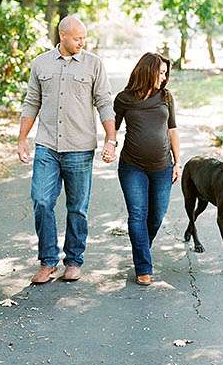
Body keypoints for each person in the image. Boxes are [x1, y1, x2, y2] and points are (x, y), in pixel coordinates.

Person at [18, 16, 116, 285]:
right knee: (40, 200)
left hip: (80, 148)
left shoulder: (94, 64)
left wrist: (111, 139)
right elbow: (31, 102)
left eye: (84, 37)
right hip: (47, 145)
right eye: (77, 38)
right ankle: (48, 261)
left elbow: (105, 103)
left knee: (77, 208)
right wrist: (22, 139)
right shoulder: (41, 63)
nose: (82, 42)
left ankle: (73, 261)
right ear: (62, 36)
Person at [113, 53, 181, 285]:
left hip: (162, 167)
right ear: (147, 71)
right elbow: (112, 126)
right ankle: (143, 267)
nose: (163, 77)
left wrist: (178, 161)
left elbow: (172, 129)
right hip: (132, 166)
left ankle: (141, 250)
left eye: (165, 73)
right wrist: (109, 145)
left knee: (156, 216)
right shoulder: (123, 99)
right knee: (137, 216)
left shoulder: (166, 97)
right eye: (160, 72)